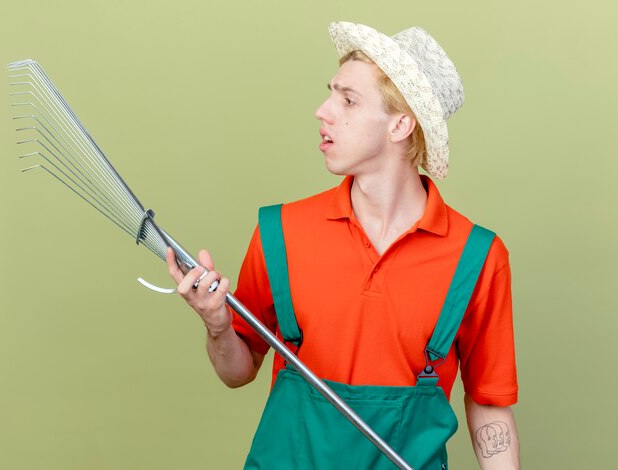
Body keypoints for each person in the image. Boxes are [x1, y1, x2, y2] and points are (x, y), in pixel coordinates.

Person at [167, 21, 520, 469]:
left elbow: (490, 403)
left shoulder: (477, 258)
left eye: (348, 99)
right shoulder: (281, 231)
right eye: (331, 93)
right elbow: (238, 373)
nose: (323, 111)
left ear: (400, 125)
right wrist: (217, 324)